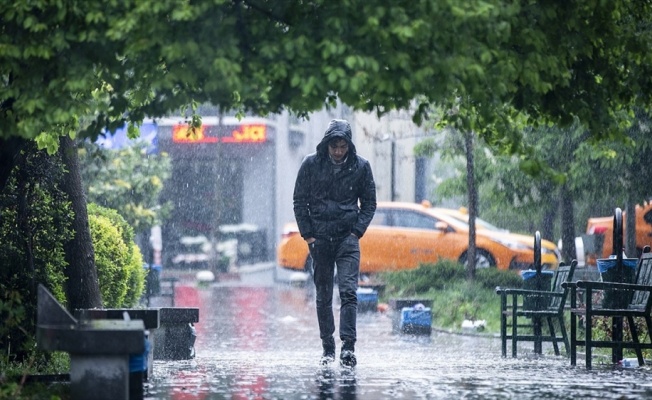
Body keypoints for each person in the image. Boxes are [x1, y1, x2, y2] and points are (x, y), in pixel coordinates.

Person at [293, 119, 377, 367]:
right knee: (323, 294)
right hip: (320, 240)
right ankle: (328, 347)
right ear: (327, 145)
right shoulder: (310, 164)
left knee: (349, 292)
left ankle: (348, 347)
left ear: (349, 146)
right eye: (334, 146)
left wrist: (356, 232)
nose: (338, 151)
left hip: (347, 239)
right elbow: (299, 201)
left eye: (343, 147)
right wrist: (309, 236)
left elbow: (369, 203)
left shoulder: (361, 167)